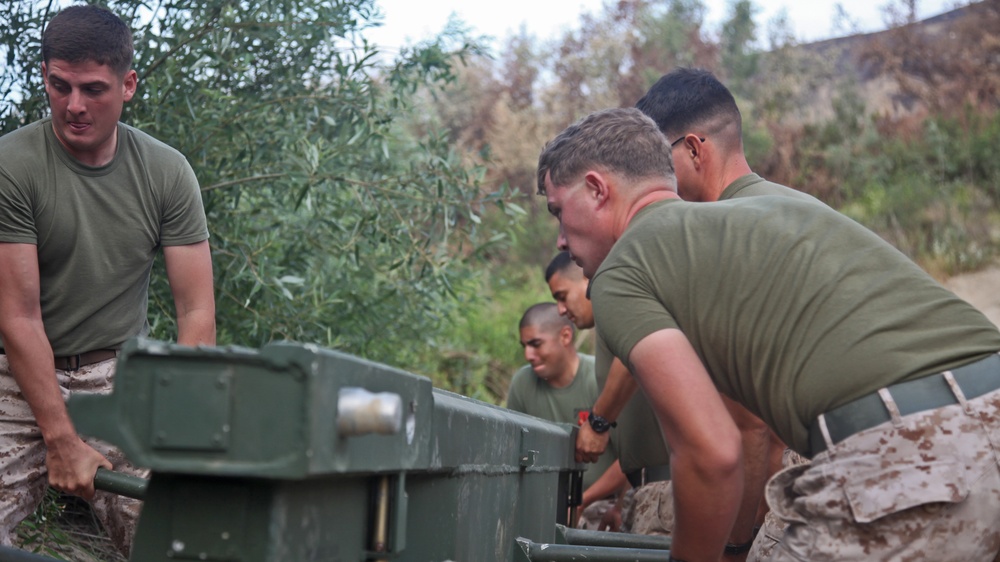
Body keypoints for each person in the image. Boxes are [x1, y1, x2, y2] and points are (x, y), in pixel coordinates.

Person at [537, 107, 1000, 561]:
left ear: (597, 189)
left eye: (559, 211)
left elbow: (712, 452)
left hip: (905, 453)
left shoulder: (622, 269)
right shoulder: (770, 211)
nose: (560, 238)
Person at [0, 5, 216, 556]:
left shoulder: (167, 173)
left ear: (128, 85)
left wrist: (175, 420)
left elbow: (196, 313)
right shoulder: (12, 165)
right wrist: (62, 439)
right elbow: (18, 318)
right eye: (59, 86)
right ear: (45, 76)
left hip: (120, 376)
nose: (74, 106)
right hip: (18, 376)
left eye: (93, 89)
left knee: (179, 530)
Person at [546, 251, 673, 536]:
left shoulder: (619, 303)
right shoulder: (605, 328)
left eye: (563, 295)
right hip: (641, 489)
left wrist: (598, 421)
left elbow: (636, 354)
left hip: (667, 490)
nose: (561, 310)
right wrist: (623, 502)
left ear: (586, 278)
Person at [506, 303, 628, 529]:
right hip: (541, 505)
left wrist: (583, 502)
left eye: (535, 344)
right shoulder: (522, 383)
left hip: (601, 506)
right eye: (524, 346)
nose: (528, 355)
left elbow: (631, 460)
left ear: (565, 336)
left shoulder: (599, 378)